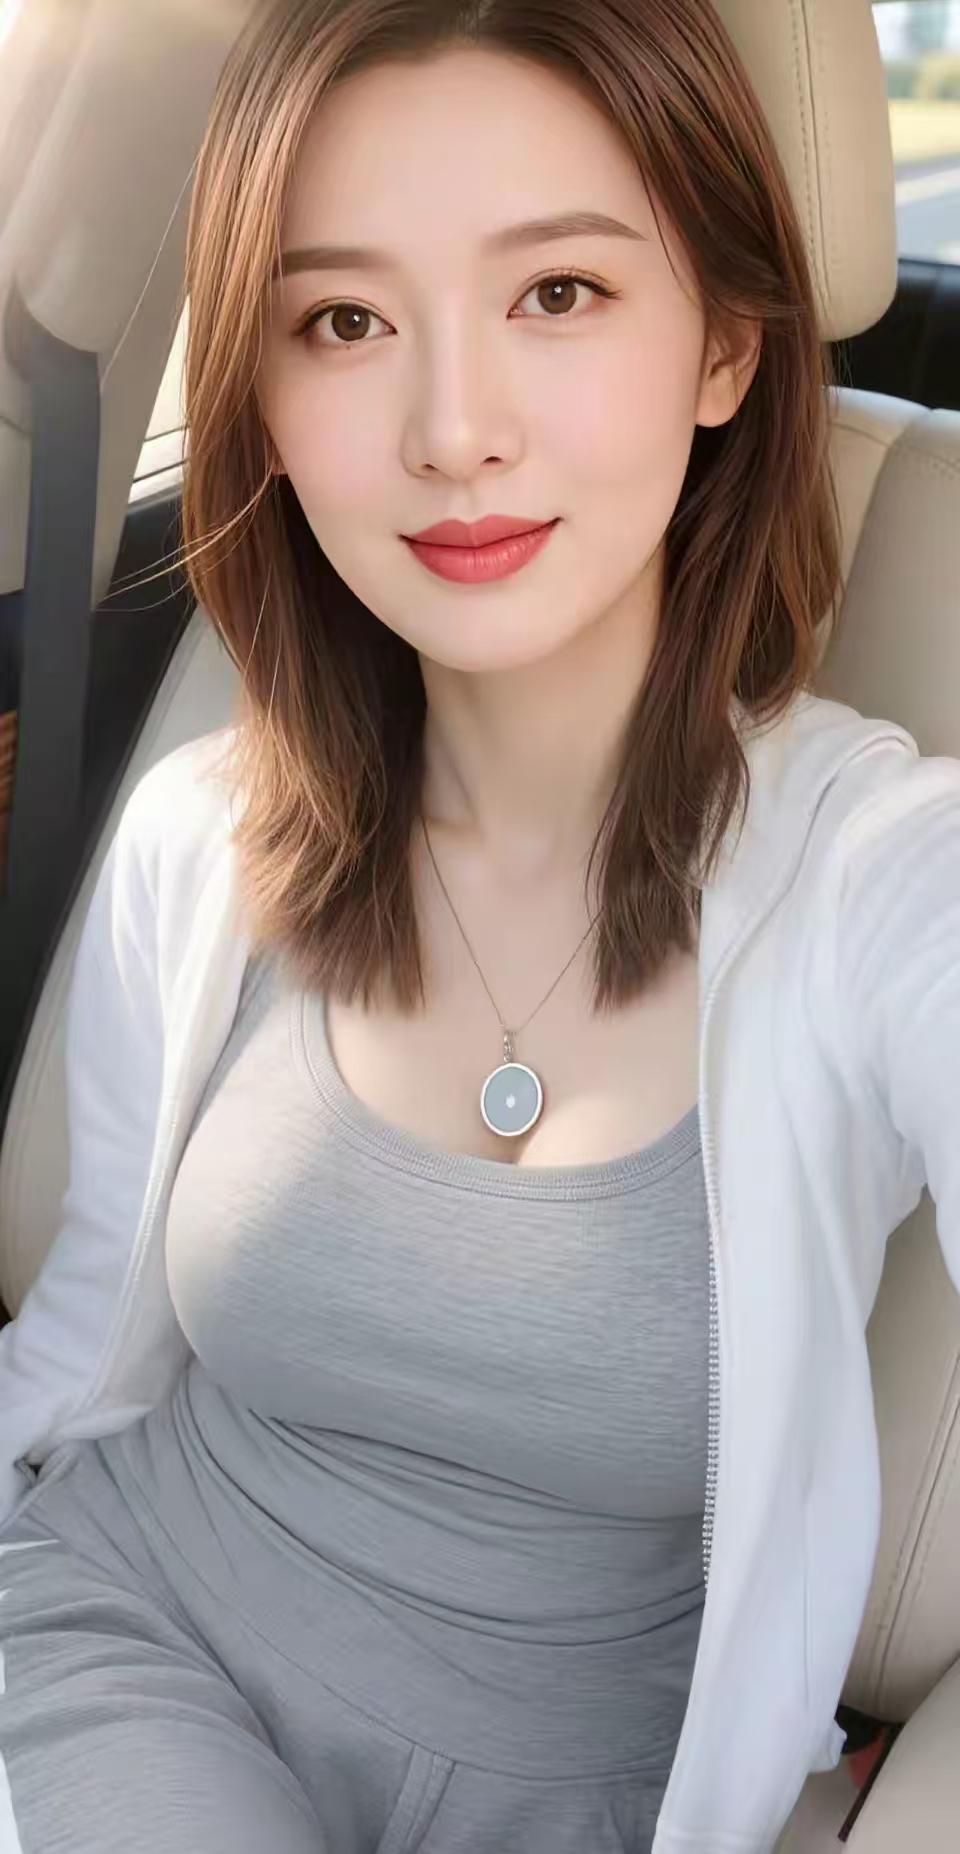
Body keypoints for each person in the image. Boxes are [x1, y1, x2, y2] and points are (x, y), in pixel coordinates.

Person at [0, 2, 958, 1851]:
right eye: (344, 323)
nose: (452, 432)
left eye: (559, 294)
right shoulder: (205, 830)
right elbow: (80, 1351)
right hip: (126, 1645)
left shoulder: (878, 874)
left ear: (724, 345)